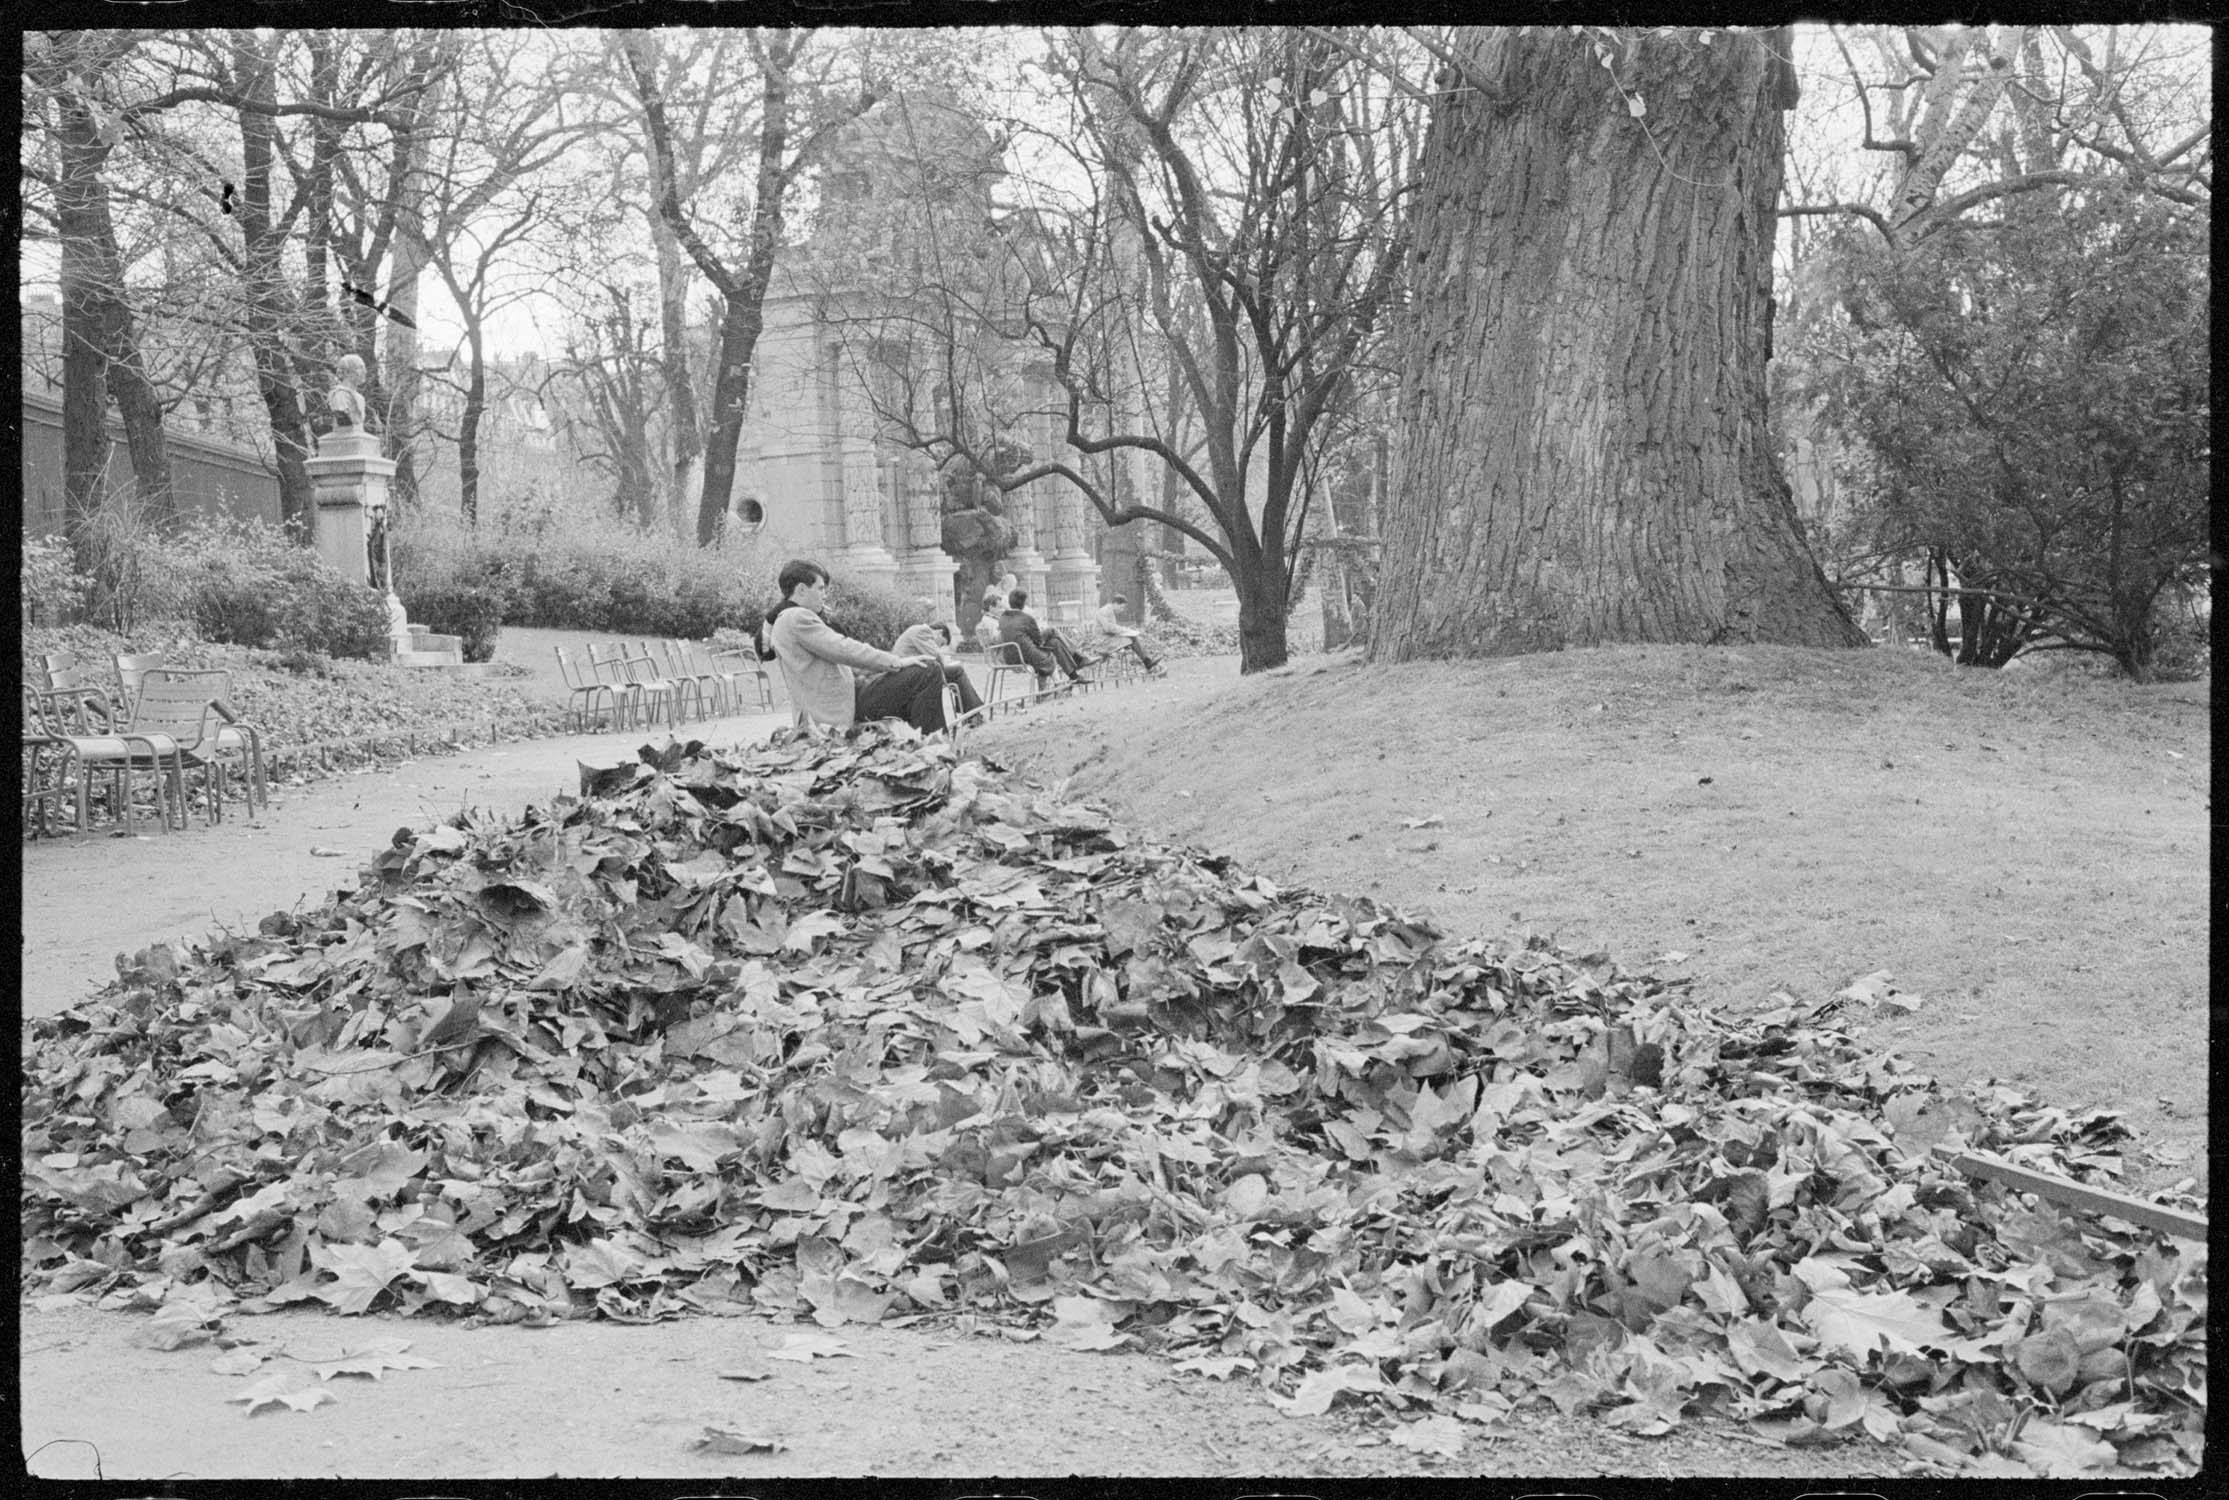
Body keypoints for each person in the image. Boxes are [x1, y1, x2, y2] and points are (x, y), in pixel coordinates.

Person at [763, 560, 967, 734]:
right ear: (800, 589)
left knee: (917, 681)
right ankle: (935, 744)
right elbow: (845, 649)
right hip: (845, 705)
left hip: (850, 695)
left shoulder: (787, 620)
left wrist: (885, 670)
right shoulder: (798, 617)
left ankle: (926, 743)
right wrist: (896, 661)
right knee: (928, 671)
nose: (824, 595)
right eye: (820, 588)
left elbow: (839, 659)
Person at [892, 610, 988, 719]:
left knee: (954, 671)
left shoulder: (916, 631)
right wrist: (946, 661)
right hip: (910, 675)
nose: (939, 646)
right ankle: (973, 715)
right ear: (939, 632)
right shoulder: (923, 631)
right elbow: (935, 656)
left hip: (908, 672)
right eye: (941, 643)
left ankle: (972, 714)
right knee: (957, 670)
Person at [998, 588, 1092, 689]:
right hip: (1027, 656)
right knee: (1053, 632)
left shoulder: (1003, 618)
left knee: (1055, 642)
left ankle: (1074, 675)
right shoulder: (1027, 618)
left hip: (1010, 656)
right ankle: (1077, 657)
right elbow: (1038, 641)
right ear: (1023, 603)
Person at [1091, 594, 1166, 676]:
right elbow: (1108, 628)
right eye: (1121, 607)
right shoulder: (1104, 611)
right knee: (1132, 639)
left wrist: (1125, 631)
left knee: (1133, 638)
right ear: (1115, 603)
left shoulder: (1109, 611)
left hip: (1108, 638)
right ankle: (1147, 662)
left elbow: (1112, 628)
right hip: (1103, 642)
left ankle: (1147, 662)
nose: (1122, 610)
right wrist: (1124, 630)